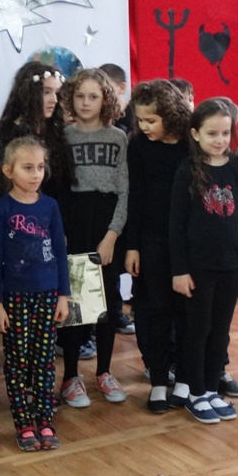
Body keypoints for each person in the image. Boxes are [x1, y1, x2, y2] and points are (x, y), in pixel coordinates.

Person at [170, 98, 238, 424]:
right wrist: (180, 270)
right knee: (198, 330)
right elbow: (176, 225)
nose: (220, 139)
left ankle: (211, 389)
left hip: (231, 265)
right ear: (195, 134)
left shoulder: (237, 169)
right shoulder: (187, 171)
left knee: (220, 332)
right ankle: (195, 392)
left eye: (225, 133)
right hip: (198, 268)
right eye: (212, 133)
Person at [0, 137, 70, 451]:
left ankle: (45, 420)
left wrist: (63, 295)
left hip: (48, 294)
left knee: (44, 360)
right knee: (18, 361)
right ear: (8, 170)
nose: (36, 174)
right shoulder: (1, 209)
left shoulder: (50, 206)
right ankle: (23, 423)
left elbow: (60, 252)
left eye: (39, 167)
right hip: (15, 297)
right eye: (27, 168)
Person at [57, 68, 130, 407]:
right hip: (75, 222)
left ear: (106, 100)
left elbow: (124, 191)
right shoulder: (63, 137)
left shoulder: (118, 138)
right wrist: (62, 232)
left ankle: (103, 371)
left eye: (93, 96)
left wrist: (112, 235)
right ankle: (71, 377)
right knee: (76, 303)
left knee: (108, 303)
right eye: (79, 96)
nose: (85, 103)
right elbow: (58, 191)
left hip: (107, 223)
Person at [122, 79, 192, 414]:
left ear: (171, 114)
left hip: (188, 242)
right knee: (156, 310)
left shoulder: (191, 143)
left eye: (151, 120)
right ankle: (159, 381)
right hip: (151, 240)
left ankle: (186, 379)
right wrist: (132, 246)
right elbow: (135, 196)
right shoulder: (138, 145)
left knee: (186, 311)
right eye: (140, 120)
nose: (144, 126)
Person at [0, 62, 74, 204]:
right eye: (46, 92)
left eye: (56, 93)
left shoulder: (56, 130)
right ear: (28, 93)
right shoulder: (8, 133)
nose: (54, 99)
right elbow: (2, 187)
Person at [97, 63, 136, 337]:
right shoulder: (102, 123)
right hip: (105, 206)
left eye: (106, 88)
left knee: (119, 265)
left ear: (121, 88)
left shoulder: (133, 120)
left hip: (127, 201)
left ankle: (118, 313)